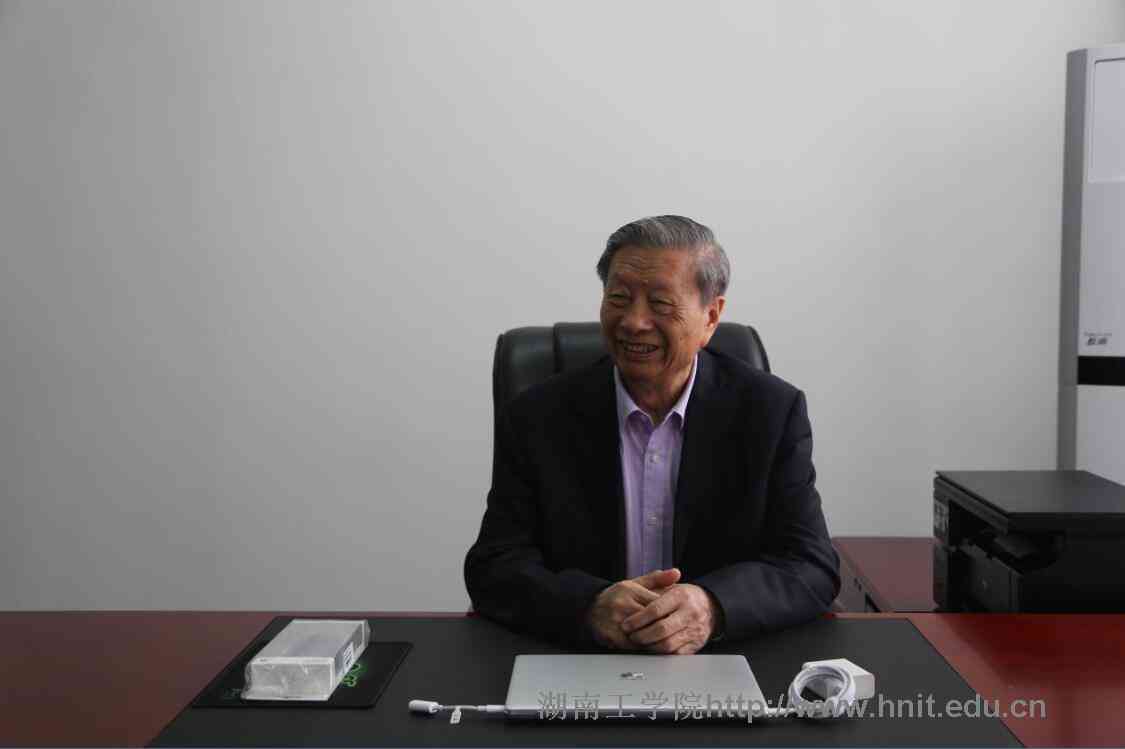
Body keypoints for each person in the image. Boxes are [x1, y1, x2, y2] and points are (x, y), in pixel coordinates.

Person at [465, 215, 839, 654]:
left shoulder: (771, 412)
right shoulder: (537, 416)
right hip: (577, 659)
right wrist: (587, 605)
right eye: (618, 298)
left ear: (711, 317)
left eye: (660, 304)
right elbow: (494, 565)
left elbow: (811, 564)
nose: (633, 322)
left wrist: (713, 606)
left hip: (719, 660)